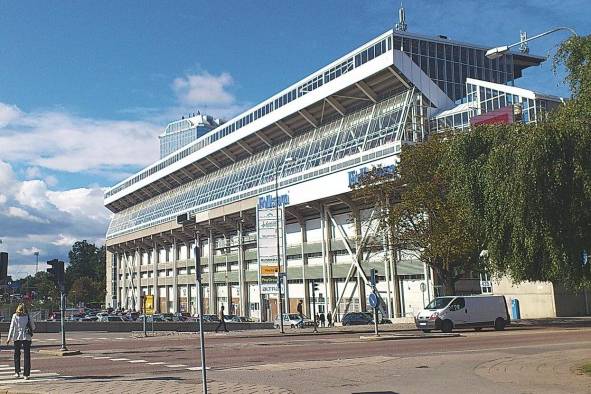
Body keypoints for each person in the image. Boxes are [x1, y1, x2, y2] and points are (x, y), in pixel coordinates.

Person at [6, 303, 35, 380]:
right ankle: (26, 374)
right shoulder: (28, 316)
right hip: (27, 337)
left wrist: (8, 338)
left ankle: (17, 372)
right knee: (27, 356)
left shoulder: (15, 316)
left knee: (17, 355)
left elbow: (11, 327)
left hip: (17, 337)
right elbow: (33, 327)